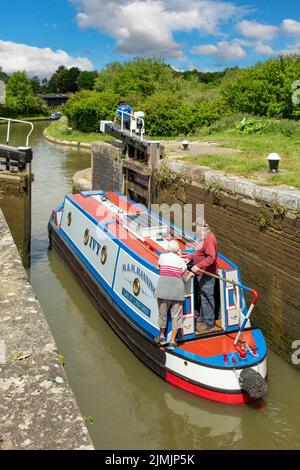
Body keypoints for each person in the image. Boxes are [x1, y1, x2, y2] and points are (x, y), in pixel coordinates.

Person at [155, 240, 192, 350]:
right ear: (177, 251)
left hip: (163, 292)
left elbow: (160, 266)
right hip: (177, 293)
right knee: (176, 317)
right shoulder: (182, 262)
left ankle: (162, 336)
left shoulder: (162, 257)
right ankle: (172, 341)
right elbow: (185, 278)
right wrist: (190, 274)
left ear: (168, 249)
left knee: (162, 314)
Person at [188, 218, 218, 332]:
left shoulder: (209, 239)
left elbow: (211, 257)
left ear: (202, 227)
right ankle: (202, 317)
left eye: (196, 227)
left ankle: (209, 324)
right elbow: (198, 252)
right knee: (202, 295)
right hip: (201, 273)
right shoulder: (203, 237)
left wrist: (198, 266)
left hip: (207, 273)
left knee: (207, 297)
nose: (195, 229)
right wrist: (190, 257)